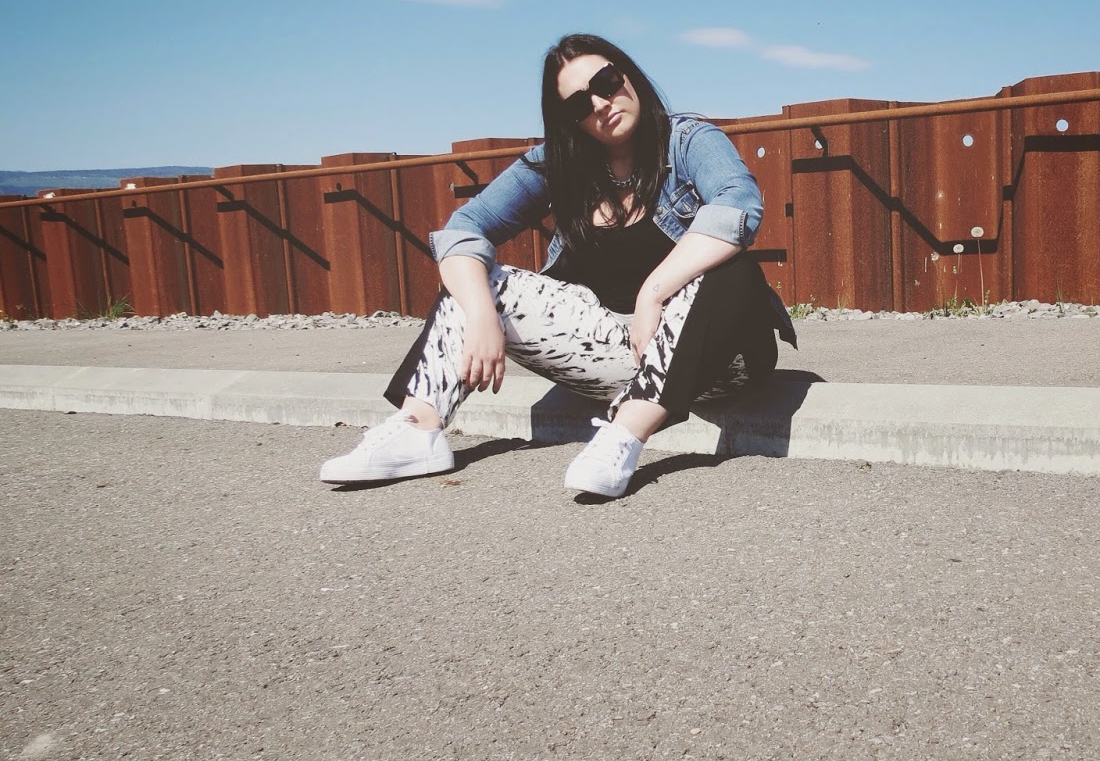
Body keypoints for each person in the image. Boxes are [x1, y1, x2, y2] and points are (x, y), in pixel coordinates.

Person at [319, 33, 795, 497]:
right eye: (579, 104)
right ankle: (418, 429)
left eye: (606, 82)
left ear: (629, 76)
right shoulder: (559, 164)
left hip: (720, 361)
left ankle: (624, 433)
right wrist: (482, 315)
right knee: (476, 280)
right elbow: (464, 228)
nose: (601, 104)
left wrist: (654, 292)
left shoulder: (687, 140)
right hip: (618, 352)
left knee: (730, 268)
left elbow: (737, 204)